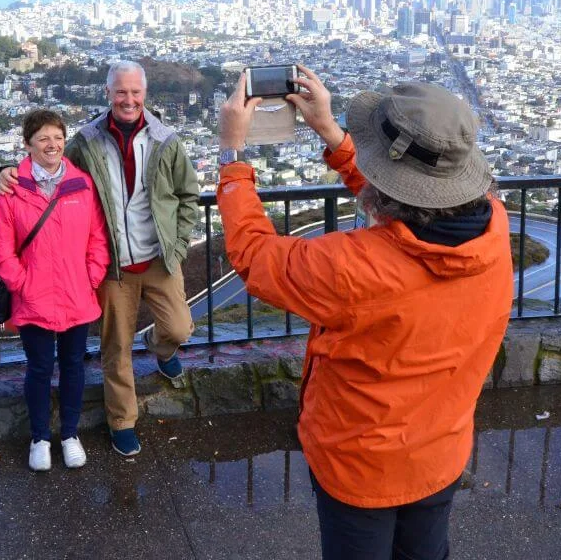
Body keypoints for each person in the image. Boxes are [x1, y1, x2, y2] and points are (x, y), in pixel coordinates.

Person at [216, 67, 514, 560]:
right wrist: (332, 136)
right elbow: (411, 201)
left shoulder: (353, 266)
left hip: (359, 462)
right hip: (441, 447)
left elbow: (253, 254)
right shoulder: (493, 231)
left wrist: (232, 155)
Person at [0, 61, 199, 457]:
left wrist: (176, 246)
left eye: (135, 92)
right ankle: (122, 421)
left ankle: (163, 347)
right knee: (116, 348)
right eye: (120, 92)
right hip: (114, 265)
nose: (128, 99)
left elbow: (188, 195)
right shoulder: (86, 141)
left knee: (179, 327)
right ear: (108, 94)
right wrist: (4, 171)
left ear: (145, 94)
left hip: (158, 256)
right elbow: (52, 168)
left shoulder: (166, 140)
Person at [0, 109, 109, 472]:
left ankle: (70, 434)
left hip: (76, 293)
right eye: (43, 138)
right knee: (39, 368)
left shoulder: (81, 185)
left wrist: (91, 275)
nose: (52, 145)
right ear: (28, 145)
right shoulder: (13, 189)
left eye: (57, 137)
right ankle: (40, 437)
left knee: (73, 365)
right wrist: (21, 282)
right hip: (34, 296)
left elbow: (98, 237)